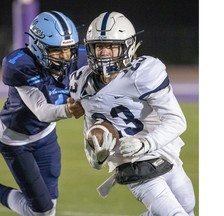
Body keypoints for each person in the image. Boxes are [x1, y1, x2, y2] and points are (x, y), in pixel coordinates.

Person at [69, 11, 195, 215]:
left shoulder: (143, 74)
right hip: (133, 165)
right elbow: (92, 134)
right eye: (99, 46)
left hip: (163, 152)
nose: (104, 52)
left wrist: (146, 144)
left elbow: (176, 120)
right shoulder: (81, 82)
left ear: (127, 46)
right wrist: (97, 158)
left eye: (111, 46)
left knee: (188, 207)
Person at [0, 11, 85, 216]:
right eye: (57, 51)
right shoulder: (21, 65)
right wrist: (68, 110)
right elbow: (42, 111)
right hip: (15, 139)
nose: (66, 58)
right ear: (38, 47)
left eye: (68, 50)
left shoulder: (78, 58)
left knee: (48, 208)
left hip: (45, 135)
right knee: (42, 211)